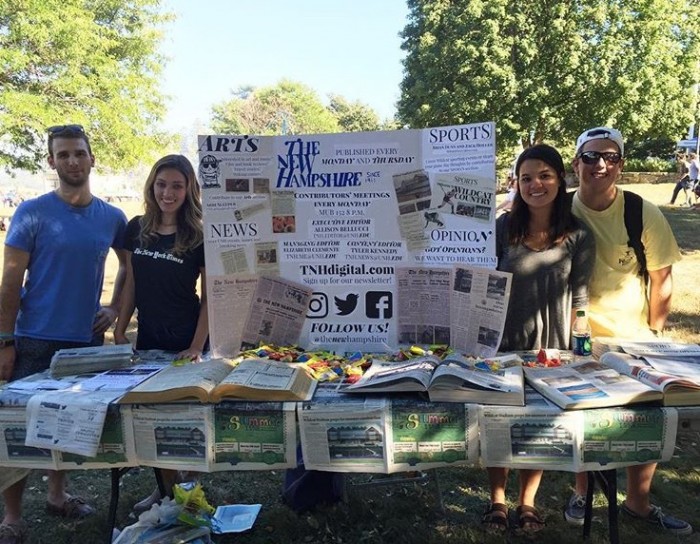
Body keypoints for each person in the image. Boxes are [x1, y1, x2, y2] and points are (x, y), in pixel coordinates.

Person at [0, 124, 127, 544]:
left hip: (84, 343)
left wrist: (112, 307)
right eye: (63, 154)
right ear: (52, 161)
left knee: (68, 424)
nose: (72, 161)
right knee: (17, 431)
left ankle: (58, 495)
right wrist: (5, 341)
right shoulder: (32, 212)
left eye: (79, 153)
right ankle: (13, 517)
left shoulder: (112, 217)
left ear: (92, 159)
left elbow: (129, 266)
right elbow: (9, 280)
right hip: (34, 337)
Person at [564, 126, 691, 535]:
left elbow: (662, 279)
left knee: (646, 418)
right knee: (582, 418)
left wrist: (654, 333)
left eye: (610, 157)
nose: (600, 165)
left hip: (630, 338)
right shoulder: (560, 210)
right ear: (576, 162)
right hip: (574, 338)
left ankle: (639, 502)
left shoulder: (641, 211)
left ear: (620, 163)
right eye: (590, 156)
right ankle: (581, 491)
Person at [483, 144, 595, 535]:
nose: (536, 184)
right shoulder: (502, 227)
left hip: (553, 344)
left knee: (538, 424)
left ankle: (526, 501)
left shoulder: (579, 234)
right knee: (497, 420)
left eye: (545, 175)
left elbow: (581, 298)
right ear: (517, 183)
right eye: (526, 177)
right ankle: (497, 498)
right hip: (504, 341)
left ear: (561, 179)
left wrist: (581, 347)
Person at [114, 154, 207, 513]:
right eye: (162, 184)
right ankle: (167, 489)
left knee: (187, 420)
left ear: (189, 190)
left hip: (186, 339)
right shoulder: (136, 228)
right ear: (152, 186)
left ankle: (189, 490)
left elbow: (210, 297)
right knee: (153, 420)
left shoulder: (198, 235)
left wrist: (197, 345)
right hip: (149, 337)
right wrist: (121, 328)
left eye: (177, 186)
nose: (168, 193)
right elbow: (132, 282)